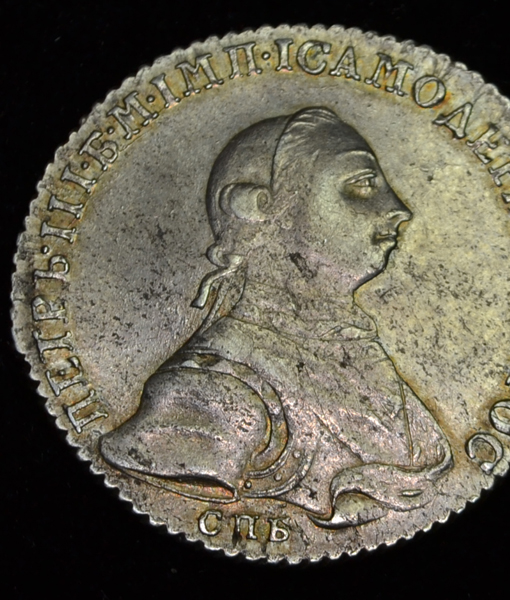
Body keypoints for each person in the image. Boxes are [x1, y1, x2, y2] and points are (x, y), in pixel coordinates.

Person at [100, 107, 451, 528]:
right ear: (261, 207)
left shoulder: (357, 357)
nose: (400, 209)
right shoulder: (208, 395)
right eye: (361, 184)